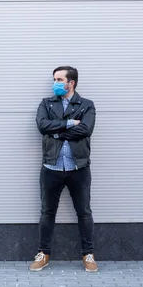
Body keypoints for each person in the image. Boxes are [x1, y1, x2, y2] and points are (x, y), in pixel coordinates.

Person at [29, 66, 98, 272]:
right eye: (54, 79)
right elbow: (42, 126)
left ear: (71, 83)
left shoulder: (86, 105)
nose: (55, 83)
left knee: (84, 212)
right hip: (52, 167)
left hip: (79, 167)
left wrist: (57, 132)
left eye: (59, 79)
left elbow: (86, 129)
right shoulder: (46, 103)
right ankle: (44, 253)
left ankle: (88, 254)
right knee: (47, 212)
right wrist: (68, 124)